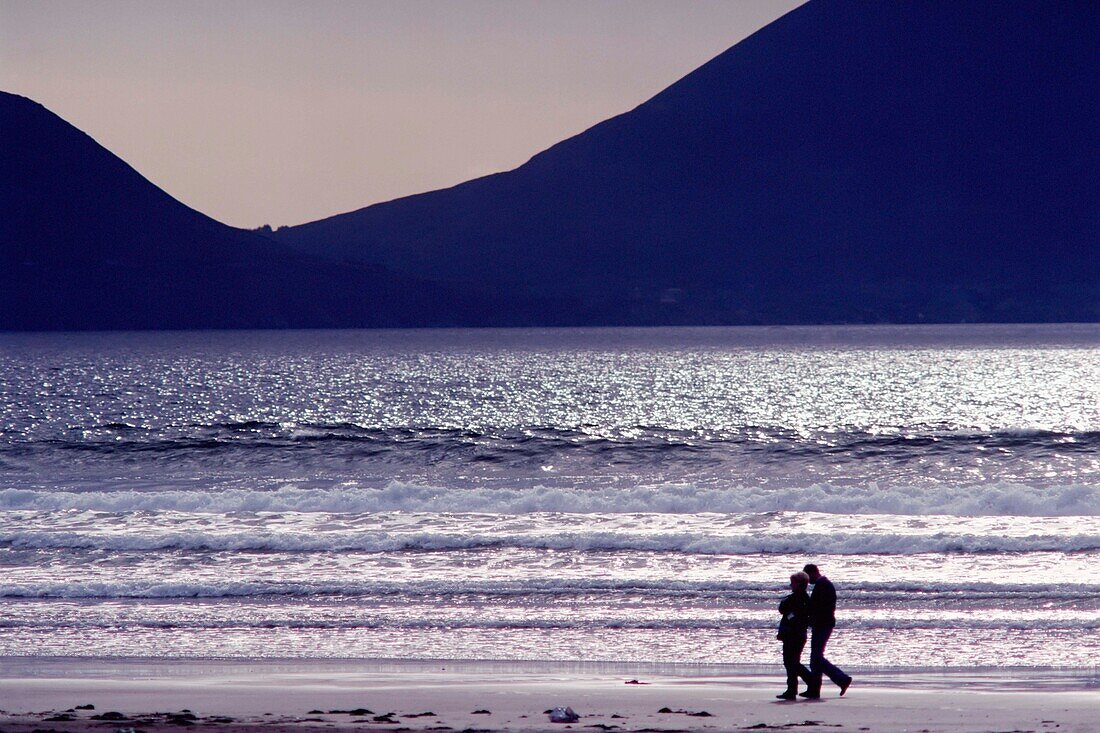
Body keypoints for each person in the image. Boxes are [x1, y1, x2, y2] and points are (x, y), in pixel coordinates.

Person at [801, 563, 852, 698]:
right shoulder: (824, 584)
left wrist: (811, 616)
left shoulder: (822, 585)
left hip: (823, 624)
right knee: (815, 658)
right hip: (824, 623)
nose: (808, 581)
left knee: (816, 658)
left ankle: (842, 678)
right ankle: (814, 690)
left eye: (807, 577)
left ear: (812, 573)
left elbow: (821, 607)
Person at [775, 571, 813, 700]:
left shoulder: (799, 598)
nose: (791, 585)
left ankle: (805, 683)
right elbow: (784, 609)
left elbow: (784, 609)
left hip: (794, 634)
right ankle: (794, 688)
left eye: (793, 583)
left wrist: (791, 615)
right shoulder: (799, 597)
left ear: (799, 584)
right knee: (791, 662)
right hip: (794, 634)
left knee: (791, 662)